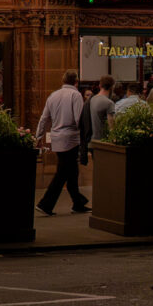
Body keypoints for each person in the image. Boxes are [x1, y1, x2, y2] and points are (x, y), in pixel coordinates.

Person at [34, 70, 90, 216]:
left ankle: (78, 202)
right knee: (63, 172)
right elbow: (78, 118)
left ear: (63, 81)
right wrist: (85, 136)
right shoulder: (75, 95)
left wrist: (38, 136)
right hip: (71, 138)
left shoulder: (53, 95)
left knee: (71, 171)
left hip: (56, 137)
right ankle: (45, 204)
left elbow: (44, 118)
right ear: (76, 82)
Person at [88, 75, 116, 142]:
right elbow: (111, 126)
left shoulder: (92, 99)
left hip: (93, 139)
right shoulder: (109, 103)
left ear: (100, 85)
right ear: (112, 87)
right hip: (104, 141)